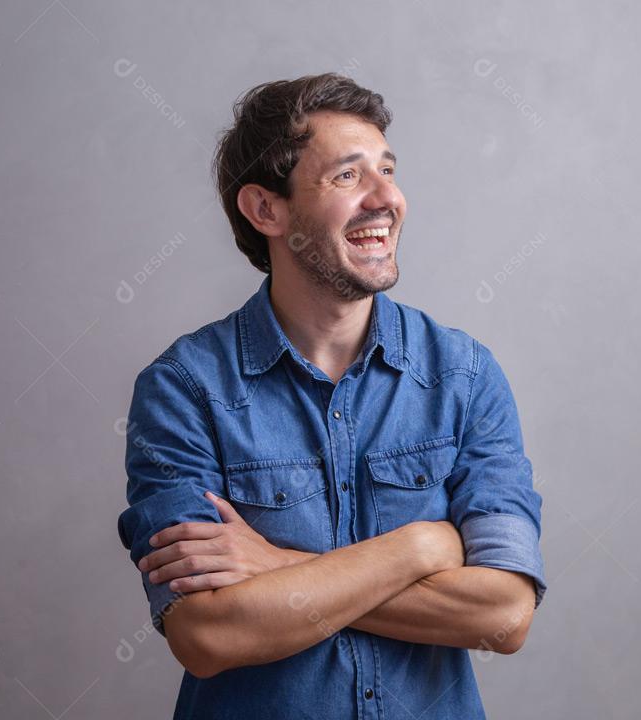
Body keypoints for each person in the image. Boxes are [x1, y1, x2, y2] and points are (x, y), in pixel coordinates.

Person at [117, 72, 547, 719]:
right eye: (348, 177)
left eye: (388, 170)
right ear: (266, 209)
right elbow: (207, 635)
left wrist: (276, 565)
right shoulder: (183, 389)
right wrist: (420, 548)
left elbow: (504, 616)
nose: (388, 199)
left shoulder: (464, 375)